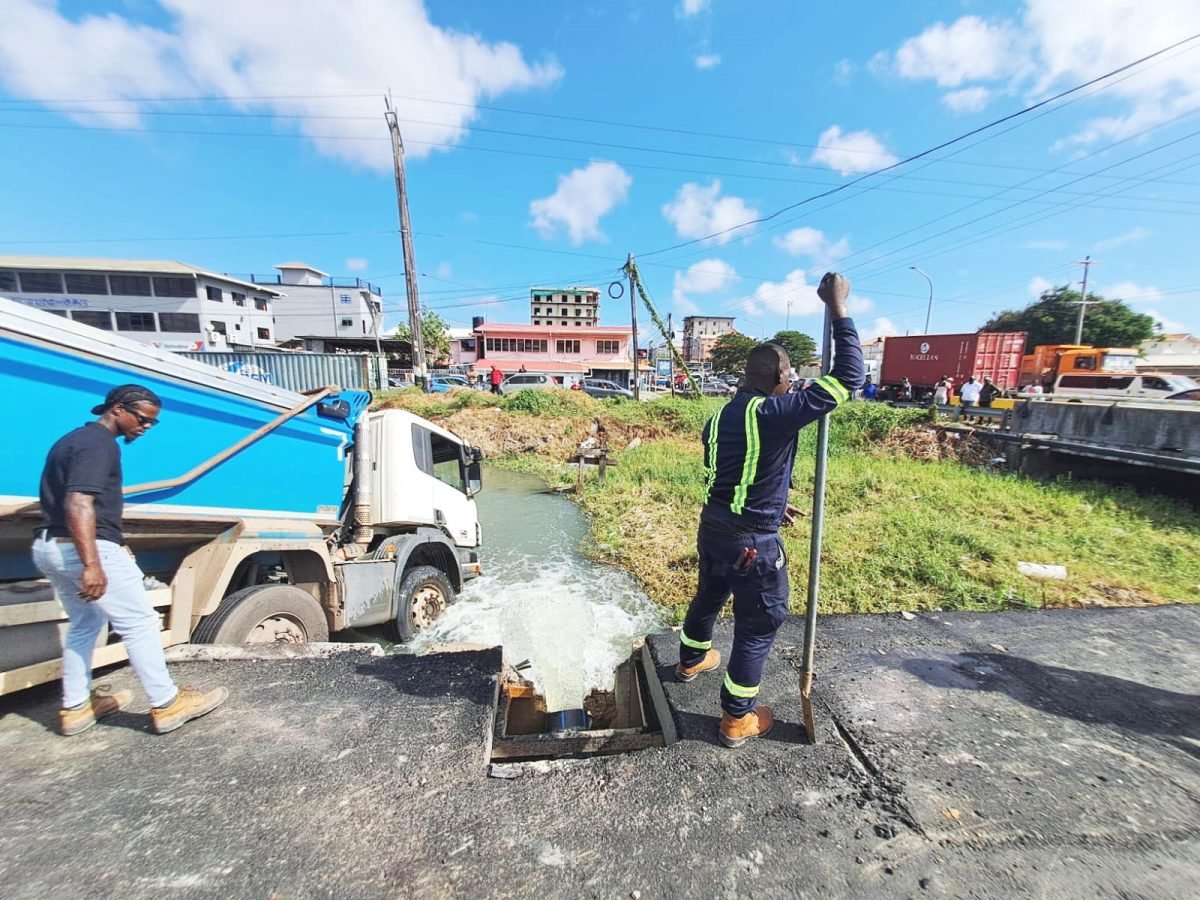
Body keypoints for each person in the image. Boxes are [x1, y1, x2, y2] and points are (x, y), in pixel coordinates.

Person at [676, 272, 864, 749]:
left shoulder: (720, 415)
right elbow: (849, 377)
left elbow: (735, 474)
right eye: (791, 378)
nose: (794, 385)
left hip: (715, 525)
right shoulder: (775, 412)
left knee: (709, 595)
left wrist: (773, 504)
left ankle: (692, 658)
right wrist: (838, 307)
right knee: (759, 625)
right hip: (751, 545)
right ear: (781, 379)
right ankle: (736, 718)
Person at [33, 385, 227, 736]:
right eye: (143, 419)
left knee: (85, 623)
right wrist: (93, 562)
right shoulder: (100, 445)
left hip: (49, 545)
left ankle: (75, 707)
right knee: (141, 624)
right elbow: (79, 503)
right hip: (82, 547)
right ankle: (168, 703)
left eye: (152, 423)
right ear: (118, 410)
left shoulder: (70, 441)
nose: (146, 427)